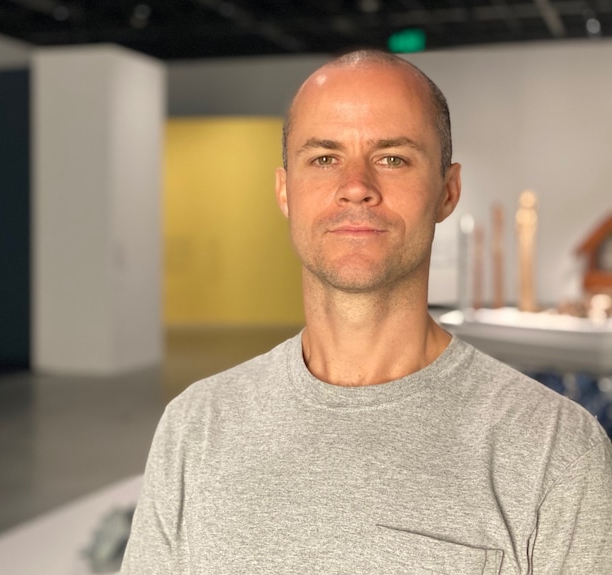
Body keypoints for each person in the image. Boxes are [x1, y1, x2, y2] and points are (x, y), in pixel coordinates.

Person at [121, 50, 612, 573]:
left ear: (447, 191)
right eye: (325, 158)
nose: (356, 185)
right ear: (285, 191)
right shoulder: (195, 424)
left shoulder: (554, 448)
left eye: (393, 158)